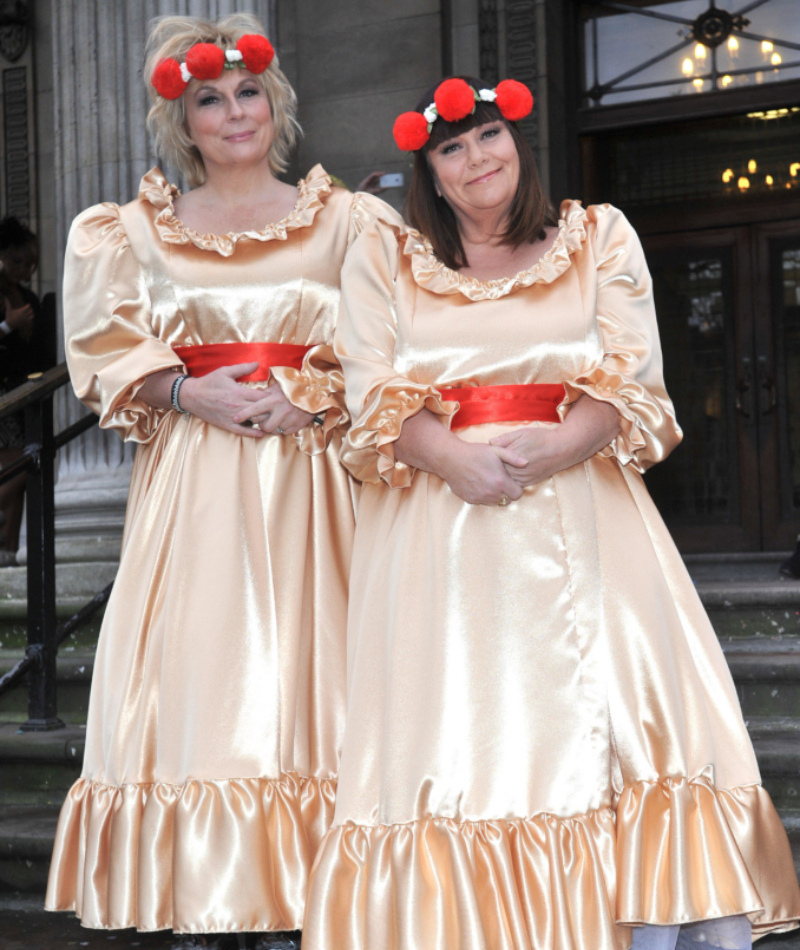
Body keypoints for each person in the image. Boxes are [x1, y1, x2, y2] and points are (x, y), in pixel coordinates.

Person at [302, 77, 800, 950]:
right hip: (440, 538)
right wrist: (453, 457)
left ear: (517, 140)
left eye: (487, 134)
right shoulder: (386, 259)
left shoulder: (598, 236)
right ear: (430, 171)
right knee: (462, 744)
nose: (475, 158)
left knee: (627, 727)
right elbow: (367, 388)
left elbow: (633, 379)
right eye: (451, 148)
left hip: (588, 521)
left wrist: (563, 444)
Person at [45, 14, 358, 948]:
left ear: (277, 103)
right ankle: (209, 911)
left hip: (319, 493)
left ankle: (318, 906)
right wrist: (185, 388)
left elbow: (400, 346)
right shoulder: (130, 233)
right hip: (197, 492)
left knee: (324, 691)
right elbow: (101, 352)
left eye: (248, 92)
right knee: (207, 694)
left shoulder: (350, 220)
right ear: (182, 121)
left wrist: (316, 398)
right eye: (208, 99)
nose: (233, 112)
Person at [0, 218, 56, 564]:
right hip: (3, 398)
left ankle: (7, 551)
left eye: (29, 263)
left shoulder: (29, 297)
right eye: (17, 261)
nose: (25, 269)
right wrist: (9, 325)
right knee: (15, 469)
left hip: (22, 395)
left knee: (21, 471)